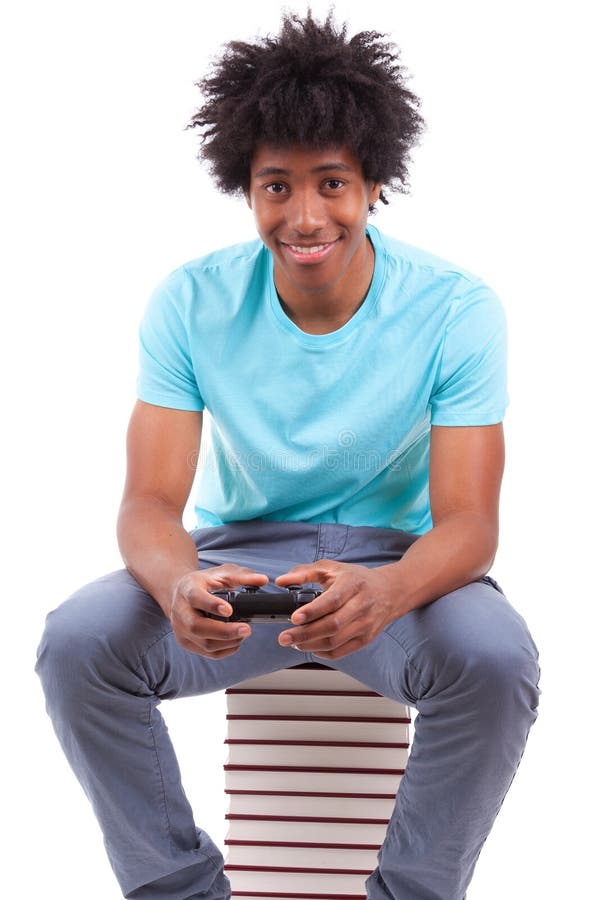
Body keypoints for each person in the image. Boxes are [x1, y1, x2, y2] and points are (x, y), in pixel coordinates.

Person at [35, 10, 541, 900]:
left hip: (396, 567)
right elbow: (149, 502)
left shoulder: (458, 309)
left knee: (497, 663)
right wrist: (176, 584)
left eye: (332, 184)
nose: (305, 217)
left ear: (375, 183)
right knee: (76, 644)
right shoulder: (190, 301)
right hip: (244, 567)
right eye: (277, 186)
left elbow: (470, 523)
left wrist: (387, 591)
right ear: (247, 189)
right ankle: (179, 890)